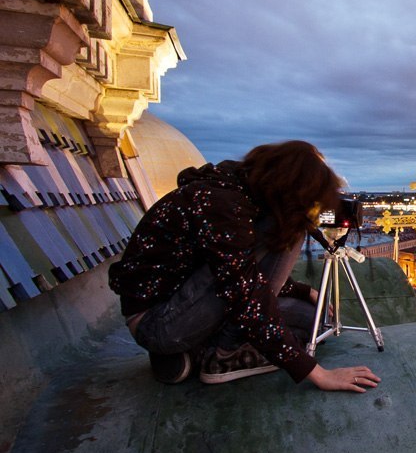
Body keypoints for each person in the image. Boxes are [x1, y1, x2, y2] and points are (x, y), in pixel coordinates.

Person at [109, 140, 381, 392]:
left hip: (190, 309)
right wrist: (318, 374)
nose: (314, 211)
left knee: (314, 320)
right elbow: (247, 297)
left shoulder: (241, 198)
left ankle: (193, 353)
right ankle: (223, 355)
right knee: (289, 228)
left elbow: (238, 272)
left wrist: (300, 291)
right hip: (158, 322)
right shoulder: (221, 203)